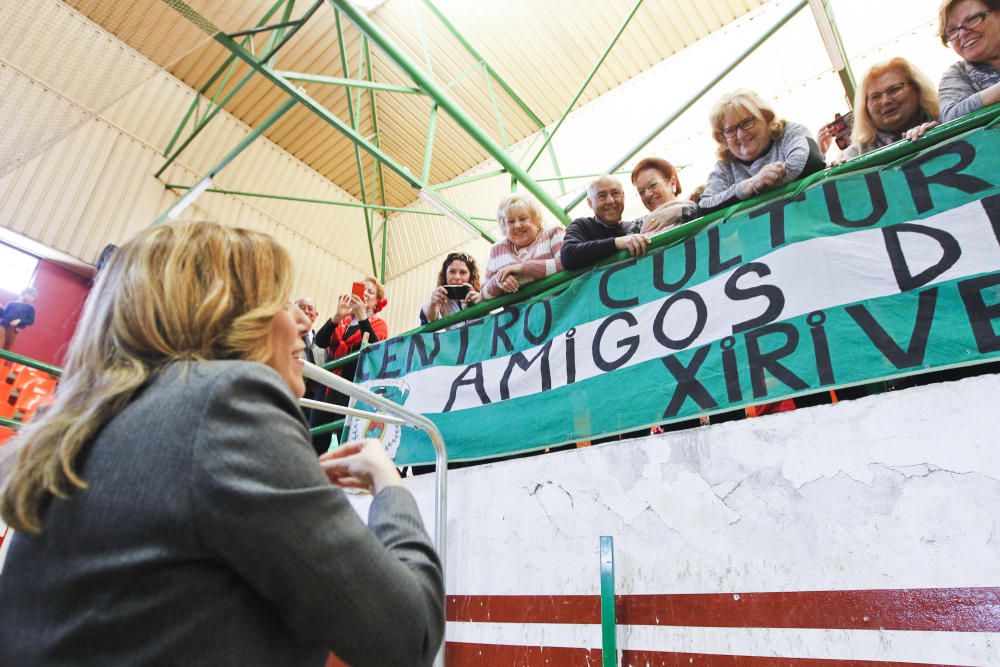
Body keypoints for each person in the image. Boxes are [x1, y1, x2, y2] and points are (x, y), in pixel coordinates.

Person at [0, 222, 443, 666]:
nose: (301, 323)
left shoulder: (79, 428)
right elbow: (408, 634)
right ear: (228, 317)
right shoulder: (229, 400)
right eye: (282, 303)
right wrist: (391, 487)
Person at [699, 89, 826, 213]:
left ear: (766, 117)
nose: (740, 135)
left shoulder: (789, 133)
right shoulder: (725, 167)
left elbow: (810, 161)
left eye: (747, 122)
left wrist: (759, 187)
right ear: (723, 138)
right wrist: (751, 184)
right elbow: (705, 206)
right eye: (730, 130)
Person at [313, 277, 389, 453]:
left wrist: (363, 317)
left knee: (347, 442)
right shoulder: (342, 321)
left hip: (351, 391)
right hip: (326, 389)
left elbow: (375, 350)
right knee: (315, 441)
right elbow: (320, 342)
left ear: (377, 302)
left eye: (370, 292)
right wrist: (337, 316)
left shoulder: (379, 324)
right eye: (362, 289)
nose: (365, 294)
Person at [827, 58, 940, 161]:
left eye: (894, 90)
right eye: (875, 97)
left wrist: (937, 135)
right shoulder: (855, 156)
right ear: (865, 107)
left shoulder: (946, 122)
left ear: (917, 88)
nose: (885, 101)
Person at [480, 194, 565, 299]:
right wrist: (499, 281)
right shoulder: (497, 250)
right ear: (504, 226)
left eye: (523, 219)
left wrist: (522, 268)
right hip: (521, 315)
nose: (517, 225)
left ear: (536, 220)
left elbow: (566, 262)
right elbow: (483, 293)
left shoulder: (553, 233)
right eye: (510, 221)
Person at [560, 175, 651, 270]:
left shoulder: (636, 227)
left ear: (623, 196)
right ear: (590, 203)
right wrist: (617, 243)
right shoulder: (582, 225)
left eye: (615, 193)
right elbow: (568, 256)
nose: (610, 200)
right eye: (602, 196)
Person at [938, 0, 1000, 121]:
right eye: (952, 31)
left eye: (972, 19)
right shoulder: (958, 73)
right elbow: (951, 116)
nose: (962, 34)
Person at [630, 157, 699, 233]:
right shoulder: (638, 226)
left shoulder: (695, 208)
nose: (647, 194)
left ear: (672, 183)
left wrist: (680, 211)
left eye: (653, 185)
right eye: (641, 191)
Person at [419, 253, 481, 324]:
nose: (457, 277)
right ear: (445, 275)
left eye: (463, 272)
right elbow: (428, 318)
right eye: (452, 272)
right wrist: (432, 304)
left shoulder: (481, 296)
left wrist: (481, 304)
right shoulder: (440, 300)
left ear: (471, 276)